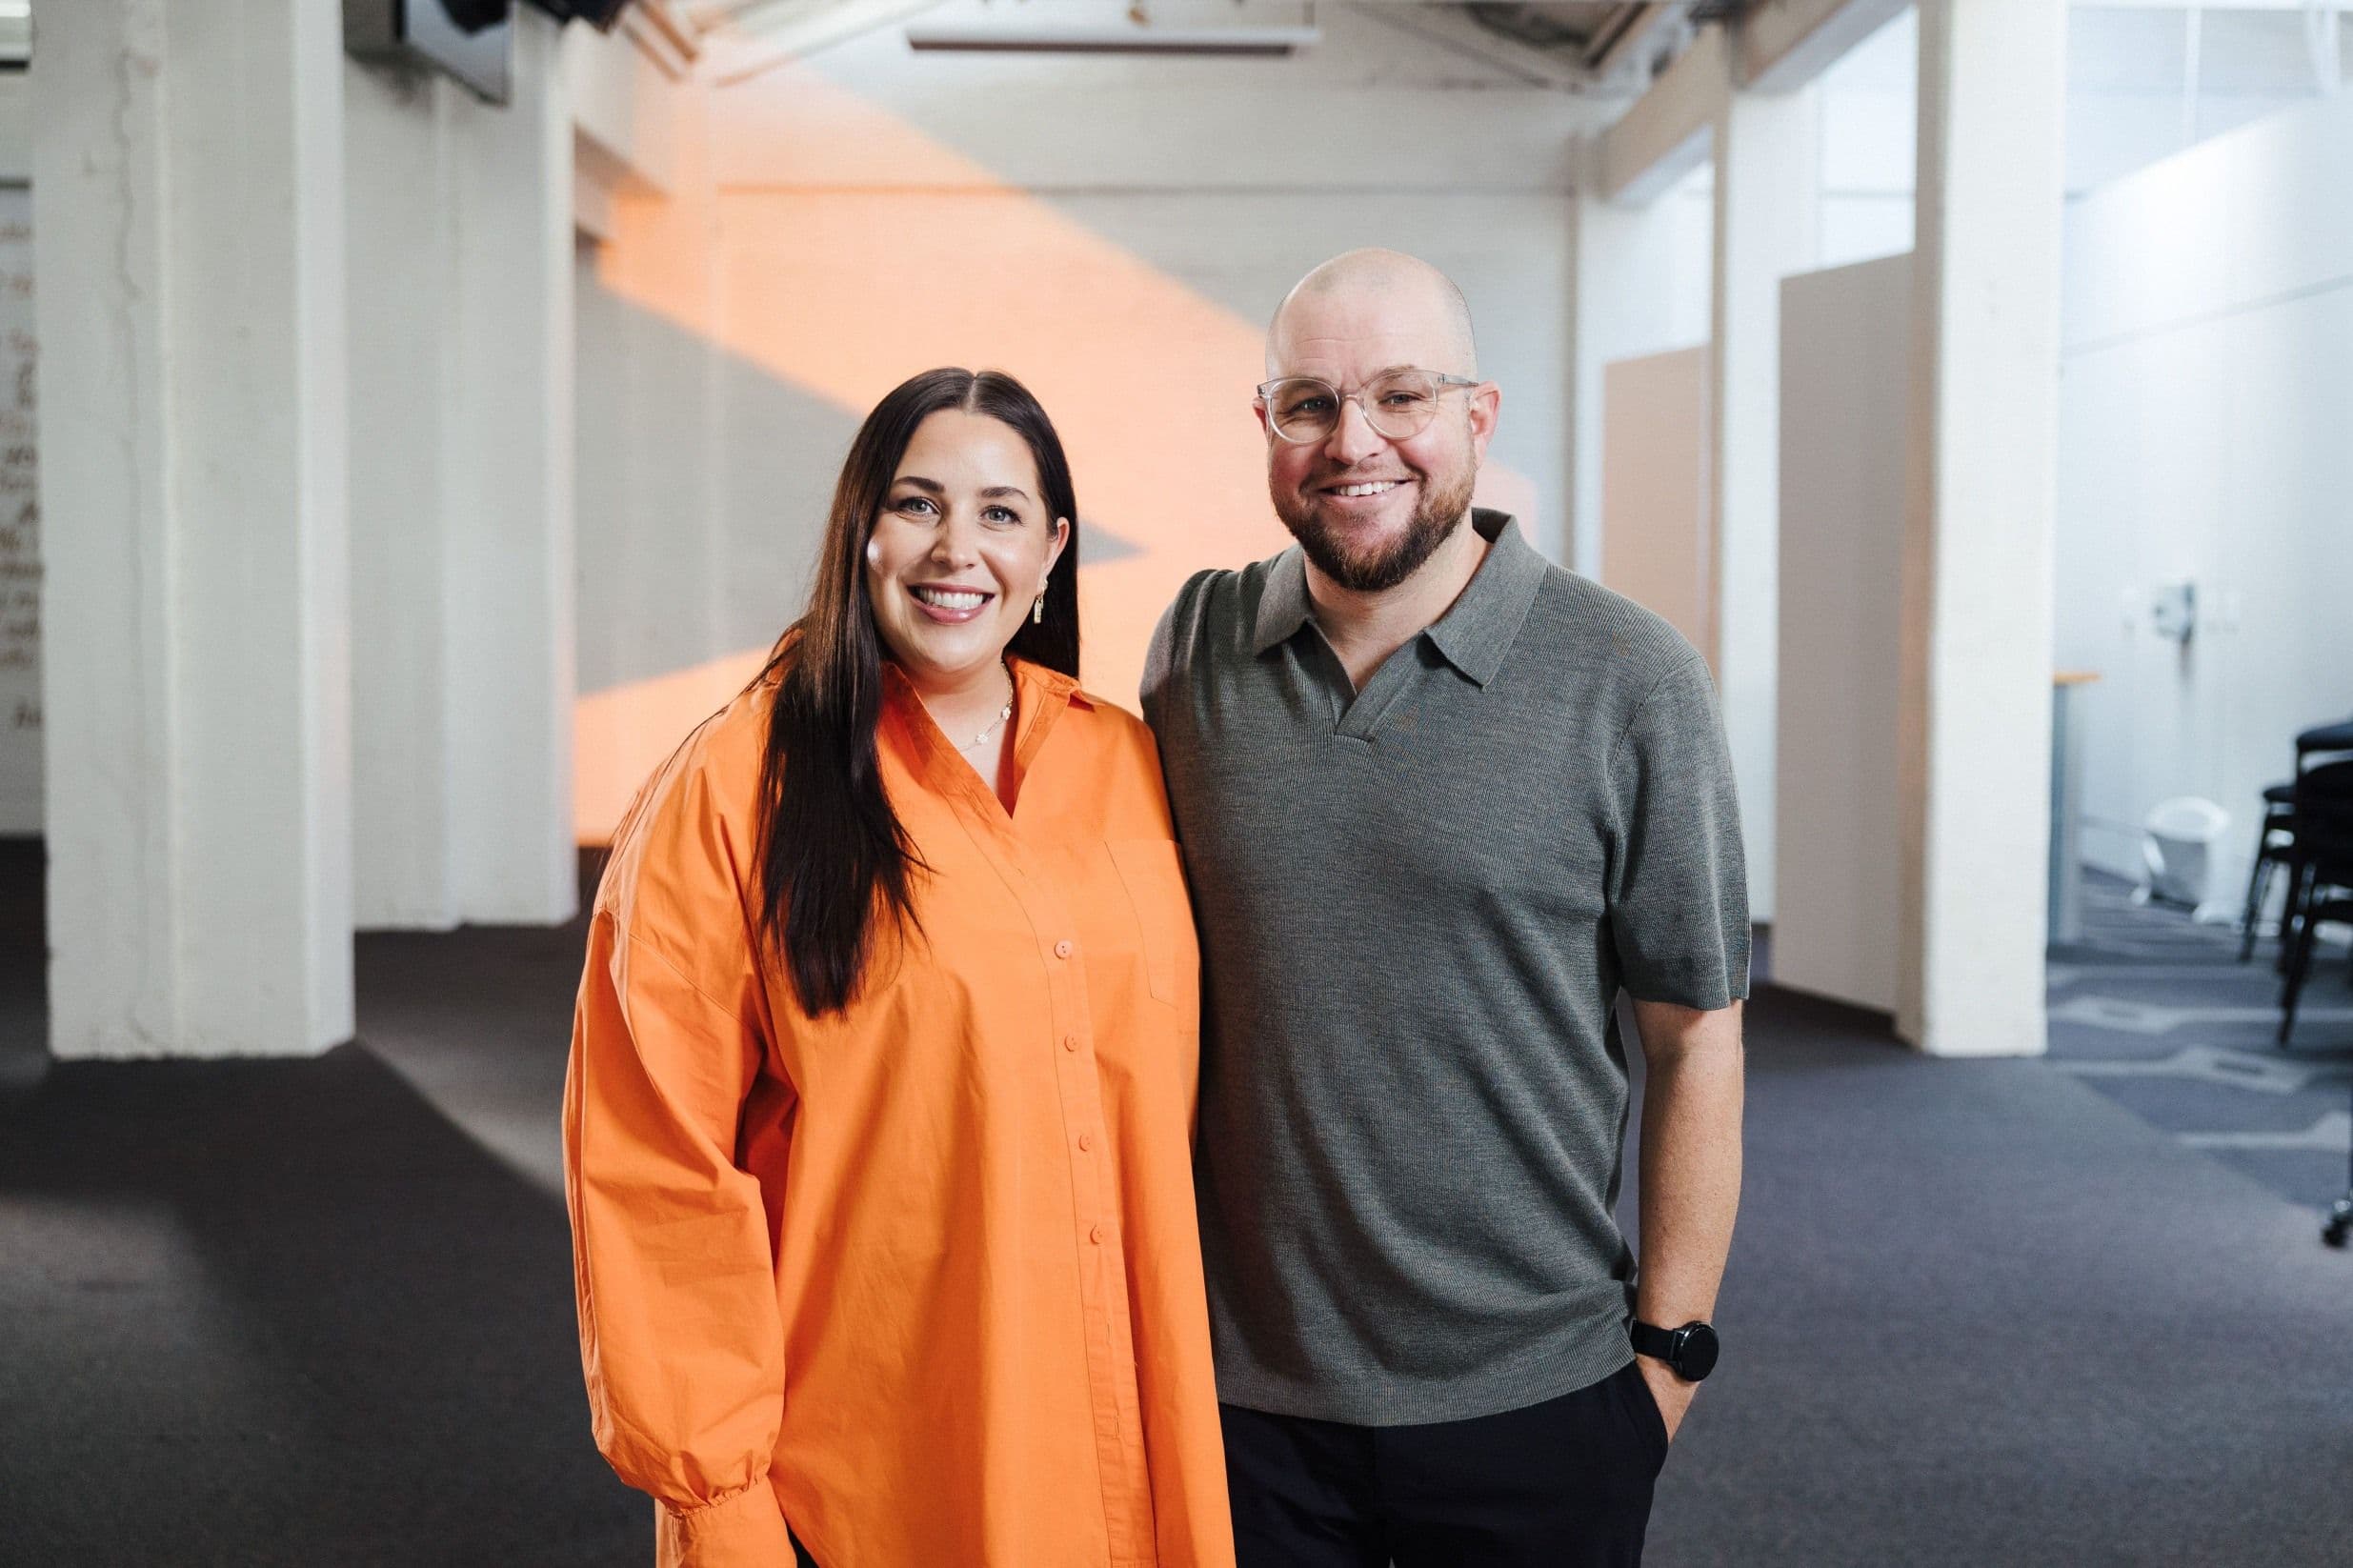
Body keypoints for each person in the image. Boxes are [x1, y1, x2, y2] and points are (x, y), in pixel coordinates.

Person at [567, 368, 1236, 1568]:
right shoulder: (733, 786)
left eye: (998, 512)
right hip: (869, 1484)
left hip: (1128, 1459)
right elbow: (656, 1171)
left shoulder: (1131, 767)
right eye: (917, 503)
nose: (954, 549)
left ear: (1051, 551)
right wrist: (721, 1510)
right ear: (860, 530)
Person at [1140, 250, 1749, 1567]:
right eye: (1308, 402)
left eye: (1400, 395)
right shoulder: (1194, 645)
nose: (1352, 441)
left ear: (1478, 415)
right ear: (1265, 423)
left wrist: (1668, 1358)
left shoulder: (1630, 676)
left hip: (1537, 1400)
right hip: (1242, 1405)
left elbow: (1695, 1034)